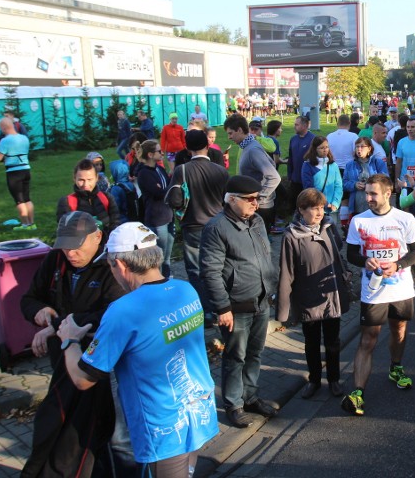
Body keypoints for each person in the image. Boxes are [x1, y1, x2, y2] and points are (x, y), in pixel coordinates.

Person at [56, 222, 219, 475]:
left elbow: (83, 379)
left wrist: (69, 340)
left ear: (120, 265)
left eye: (110, 266)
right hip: (198, 413)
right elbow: (154, 335)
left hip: (163, 429)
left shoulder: (123, 310)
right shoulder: (185, 290)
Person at [20, 212, 128, 477]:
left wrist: (55, 327)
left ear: (97, 238)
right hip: (62, 361)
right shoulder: (55, 260)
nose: (70, 252)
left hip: (98, 364)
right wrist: (41, 311)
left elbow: (109, 315)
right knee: (59, 425)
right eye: (64, 245)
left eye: (76, 245)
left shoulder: (111, 267)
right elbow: (29, 298)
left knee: (99, 431)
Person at [200, 175, 280, 428]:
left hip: (261, 301)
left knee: (255, 354)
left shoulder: (256, 221)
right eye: (250, 199)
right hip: (235, 307)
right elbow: (210, 271)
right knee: (235, 357)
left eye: (258, 198)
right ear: (231, 199)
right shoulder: (217, 228)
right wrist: (222, 308)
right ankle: (233, 404)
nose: (256, 203)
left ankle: (250, 397)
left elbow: (265, 255)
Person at [342, 174, 415, 416]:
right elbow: (351, 254)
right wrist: (365, 260)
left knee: (398, 330)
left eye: (373, 194)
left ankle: (395, 367)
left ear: (388, 194)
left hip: (400, 287)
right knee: (369, 338)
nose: (368, 198)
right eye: (367, 193)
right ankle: (358, 392)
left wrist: (398, 265)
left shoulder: (405, 219)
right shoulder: (359, 221)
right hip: (373, 290)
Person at [278, 188, 351, 400]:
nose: (319, 212)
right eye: (313, 208)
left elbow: (338, 254)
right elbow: (287, 272)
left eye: (321, 207)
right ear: (301, 210)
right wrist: (284, 309)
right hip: (308, 297)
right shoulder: (292, 236)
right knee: (311, 342)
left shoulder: (329, 227)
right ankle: (314, 380)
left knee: (333, 341)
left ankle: (335, 380)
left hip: (331, 295)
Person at [166, 129, 229, 317]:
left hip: (193, 225)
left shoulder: (182, 170)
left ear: (187, 148)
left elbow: (174, 199)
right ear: (208, 146)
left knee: (196, 270)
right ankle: (222, 306)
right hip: (218, 225)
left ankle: (206, 311)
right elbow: (228, 200)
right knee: (219, 266)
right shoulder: (221, 171)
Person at [225, 113, 281, 236]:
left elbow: (275, 177)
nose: (229, 137)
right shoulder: (248, 146)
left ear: (239, 130)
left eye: (230, 133)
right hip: (257, 207)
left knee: (260, 247)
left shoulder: (252, 150)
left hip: (261, 208)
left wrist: (257, 198)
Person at [136, 140, 174, 278]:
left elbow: (169, 187)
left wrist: (165, 189)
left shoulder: (160, 169)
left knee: (168, 253)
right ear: (151, 154)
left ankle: (168, 275)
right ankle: (159, 279)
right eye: (159, 151)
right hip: (157, 218)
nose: (162, 153)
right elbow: (158, 193)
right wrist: (166, 190)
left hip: (168, 215)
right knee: (160, 254)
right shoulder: (144, 174)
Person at [56, 159, 120, 236]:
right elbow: (65, 231)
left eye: (90, 179)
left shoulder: (107, 198)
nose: (86, 184)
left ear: (97, 178)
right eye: (81, 180)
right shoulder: (67, 202)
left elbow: (116, 224)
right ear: (74, 179)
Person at [0, 116, 35, 230]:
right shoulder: (24, 138)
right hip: (26, 169)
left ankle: (25, 225)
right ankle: (32, 224)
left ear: (3, 128)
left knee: (19, 200)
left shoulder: (5, 140)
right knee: (27, 198)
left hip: (14, 172)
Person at [302, 136, 344, 227]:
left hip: (332, 208)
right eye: (321, 148)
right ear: (315, 149)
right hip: (316, 207)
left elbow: (338, 186)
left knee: (332, 234)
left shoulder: (333, 165)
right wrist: (323, 203)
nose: (325, 150)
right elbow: (309, 188)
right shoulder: (307, 165)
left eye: (327, 147)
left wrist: (335, 203)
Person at [288, 115, 316, 203]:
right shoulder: (293, 139)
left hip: (307, 179)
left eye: (296, 125)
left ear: (304, 126)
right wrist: (290, 175)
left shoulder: (313, 139)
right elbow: (291, 159)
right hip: (295, 179)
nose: (294, 126)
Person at [394, 118, 415, 189]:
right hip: (405, 182)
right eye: (408, 127)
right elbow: (398, 162)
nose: (410, 129)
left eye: (412, 127)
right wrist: (397, 181)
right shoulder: (401, 142)